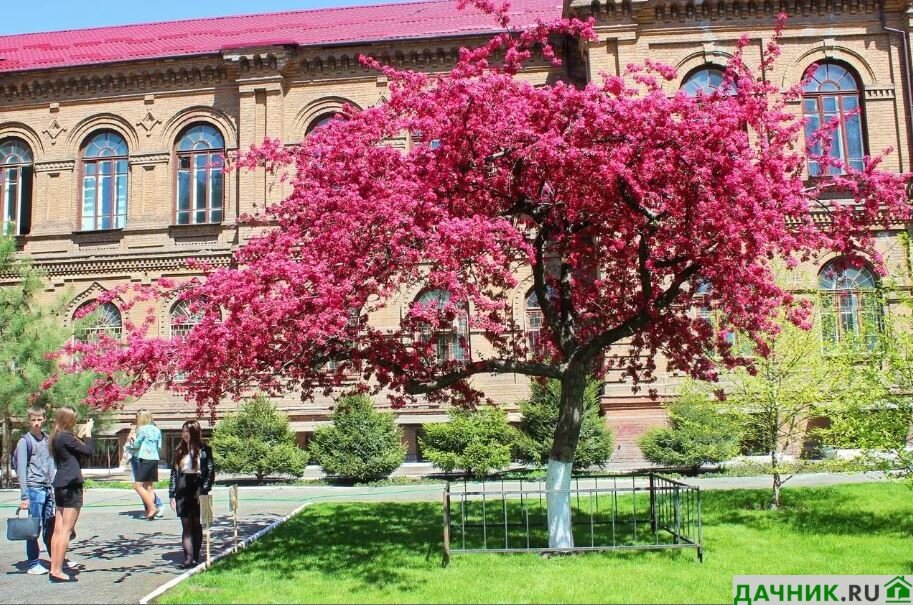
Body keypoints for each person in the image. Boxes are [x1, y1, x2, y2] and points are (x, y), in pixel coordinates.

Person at [48, 406, 93, 583]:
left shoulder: (56, 436)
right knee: (66, 530)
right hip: (72, 485)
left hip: (60, 483)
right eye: (73, 418)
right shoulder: (66, 436)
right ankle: (58, 570)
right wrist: (88, 433)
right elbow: (88, 451)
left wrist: (80, 436)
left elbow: (75, 450)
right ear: (67, 419)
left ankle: (54, 568)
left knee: (58, 529)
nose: (75, 421)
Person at [15, 404, 56, 575]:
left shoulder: (47, 439)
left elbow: (51, 464)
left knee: (50, 525)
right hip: (34, 488)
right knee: (34, 527)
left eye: (39, 420)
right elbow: (21, 470)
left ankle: (56, 560)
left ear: (44, 419)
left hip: (48, 488)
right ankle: (33, 563)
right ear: (29, 421)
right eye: (33, 420)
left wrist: (54, 487)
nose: (37, 423)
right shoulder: (25, 441)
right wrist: (24, 496)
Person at [168, 420, 214, 568]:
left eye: (188, 431)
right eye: (183, 431)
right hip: (182, 488)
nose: (185, 434)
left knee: (195, 523)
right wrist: (172, 494)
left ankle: (195, 556)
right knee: (186, 524)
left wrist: (204, 490)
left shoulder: (204, 450)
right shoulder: (179, 451)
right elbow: (174, 474)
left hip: (197, 487)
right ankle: (187, 558)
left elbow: (210, 472)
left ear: (194, 432)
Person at [124, 411, 163, 518]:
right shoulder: (157, 430)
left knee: (138, 486)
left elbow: (137, 445)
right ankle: (150, 512)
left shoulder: (143, 429)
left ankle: (151, 508)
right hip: (155, 459)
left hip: (145, 459)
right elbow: (159, 446)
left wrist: (131, 441)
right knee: (149, 486)